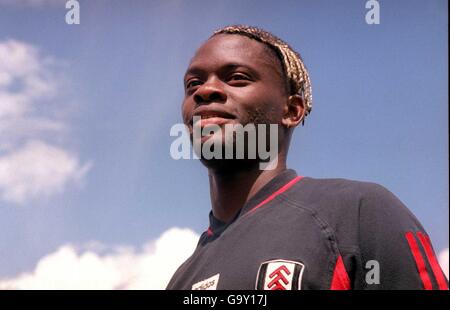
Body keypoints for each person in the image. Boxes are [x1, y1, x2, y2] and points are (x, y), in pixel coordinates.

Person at [166, 25, 448, 290]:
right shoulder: (183, 278)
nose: (204, 91)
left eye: (237, 78)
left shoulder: (359, 212)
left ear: (292, 111)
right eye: (193, 84)